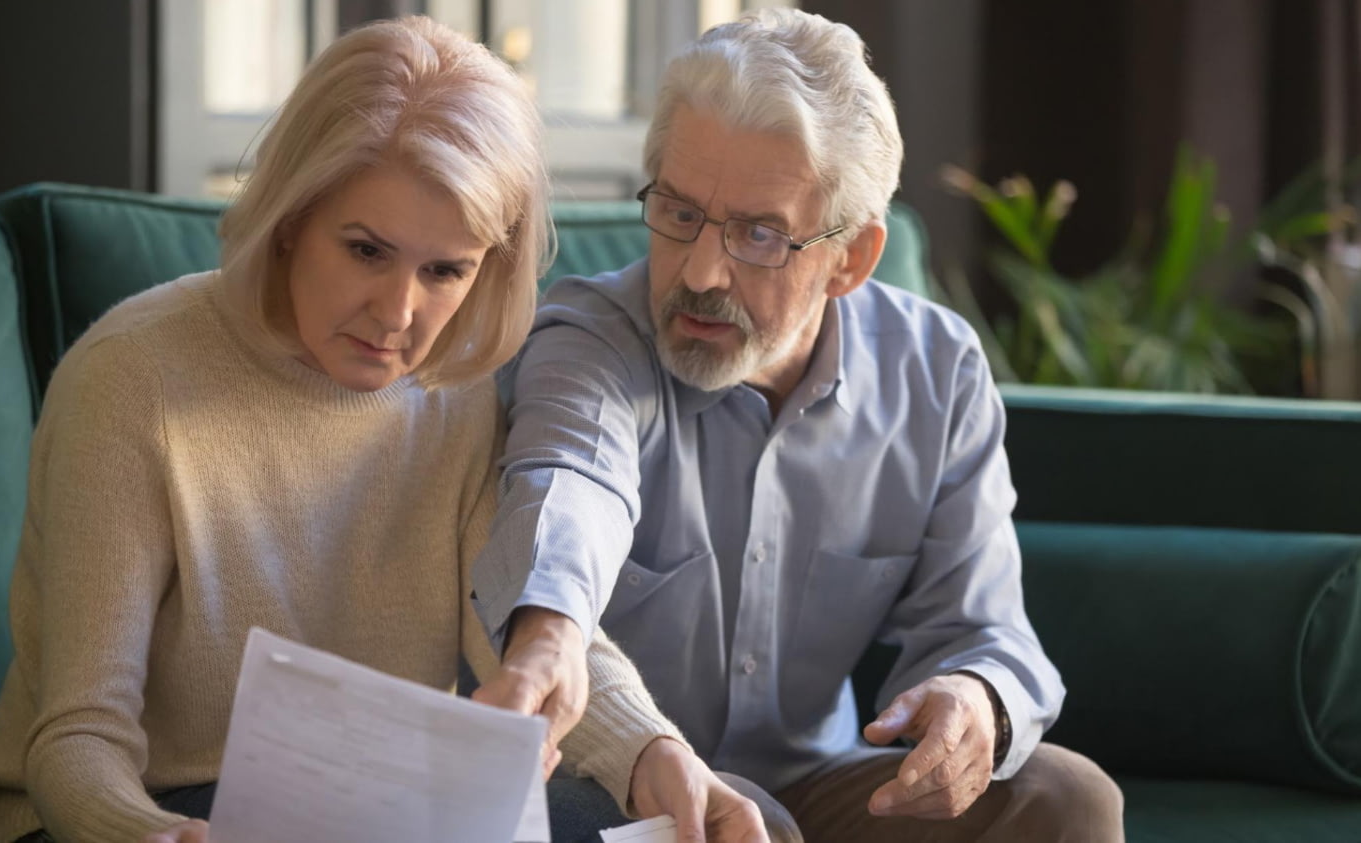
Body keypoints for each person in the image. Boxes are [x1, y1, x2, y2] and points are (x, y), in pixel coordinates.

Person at [0, 17, 766, 843]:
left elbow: (527, 639)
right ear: (288, 219)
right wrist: (147, 833)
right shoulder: (131, 377)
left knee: (689, 817)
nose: (397, 314)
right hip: (124, 811)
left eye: (445, 269)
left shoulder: (456, 392)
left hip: (368, 810)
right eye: (366, 250)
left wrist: (653, 750)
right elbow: (76, 738)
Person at [469, 8, 1125, 842]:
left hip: (828, 787)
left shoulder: (937, 373)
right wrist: (549, 636)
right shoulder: (590, 338)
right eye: (679, 212)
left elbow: (984, 627)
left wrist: (976, 700)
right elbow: (568, 485)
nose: (701, 271)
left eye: (758, 235)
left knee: (1068, 795)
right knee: (749, 824)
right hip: (624, 789)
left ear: (850, 258)